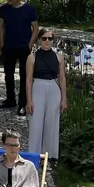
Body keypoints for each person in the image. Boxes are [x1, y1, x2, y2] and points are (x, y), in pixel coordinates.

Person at [23, 30, 67, 160]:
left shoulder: (59, 57)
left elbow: (62, 78)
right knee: (35, 122)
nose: (47, 41)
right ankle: (34, 154)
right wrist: (29, 100)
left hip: (53, 88)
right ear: (39, 40)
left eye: (50, 38)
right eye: (44, 38)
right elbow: (29, 79)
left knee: (52, 122)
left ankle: (50, 155)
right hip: (38, 87)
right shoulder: (32, 57)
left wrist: (64, 98)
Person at [0, 0, 39, 111]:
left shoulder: (29, 9)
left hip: (23, 47)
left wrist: (30, 45)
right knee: (8, 74)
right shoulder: (4, 9)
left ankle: (22, 103)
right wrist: (2, 42)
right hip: (8, 46)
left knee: (24, 74)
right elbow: (1, 26)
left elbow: (35, 28)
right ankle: (10, 99)